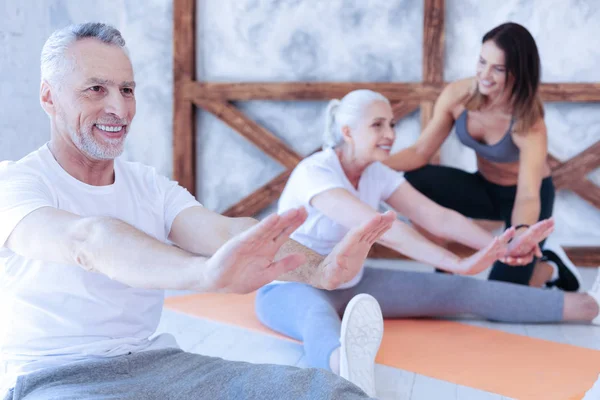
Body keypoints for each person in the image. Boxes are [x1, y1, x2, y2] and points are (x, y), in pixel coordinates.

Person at [0, 23, 401, 400]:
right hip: (53, 378)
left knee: (331, 391)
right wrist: (204, 274)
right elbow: (89, 240)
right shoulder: (16, 184)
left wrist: (321, 270)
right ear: (49, 97)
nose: (119, 109)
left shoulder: (148, 185)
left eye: (126, 89)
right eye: (95, 89)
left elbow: (224, 232)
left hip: (158, 364)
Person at [254, 89, 600, 398]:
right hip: (291, 285)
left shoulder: (378, 174)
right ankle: (348, 380)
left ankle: (588, 306)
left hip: (352, 281)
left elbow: (438, 217)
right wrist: (458, 261)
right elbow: (381, 229)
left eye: (391, 124)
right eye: (378, 125)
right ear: (347, 132)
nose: (390, 134)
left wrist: (503, 245)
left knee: (463, 290)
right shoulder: (315, 172)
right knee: (317, 318)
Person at [384, 22, 580, 291]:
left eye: (498, 68)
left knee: (500, 293)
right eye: (482, 61)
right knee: (415, 180)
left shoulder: (528, 121)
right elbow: (420, 153)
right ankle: (448, 262)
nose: (484, 74)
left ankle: (549, 267)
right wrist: (367, 161)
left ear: (518, 74)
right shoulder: (458, 96)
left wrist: (521, 236)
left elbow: (527, 194)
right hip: (484, 189)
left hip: (525, 199)